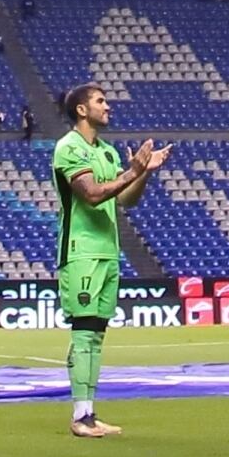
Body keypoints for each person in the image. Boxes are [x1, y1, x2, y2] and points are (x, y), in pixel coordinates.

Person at [49, 83, 167, 437]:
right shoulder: (69, 147)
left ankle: (90, 414)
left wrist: (142, 171)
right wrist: (132, 172)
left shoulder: (108, 153)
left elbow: (126, 200)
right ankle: (79, 416)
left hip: (107, 251)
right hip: (81, 250)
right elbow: (91, 195)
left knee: (96, 334)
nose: (108, 105)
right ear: (82, 110)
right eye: (101, 101)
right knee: (84, 332)